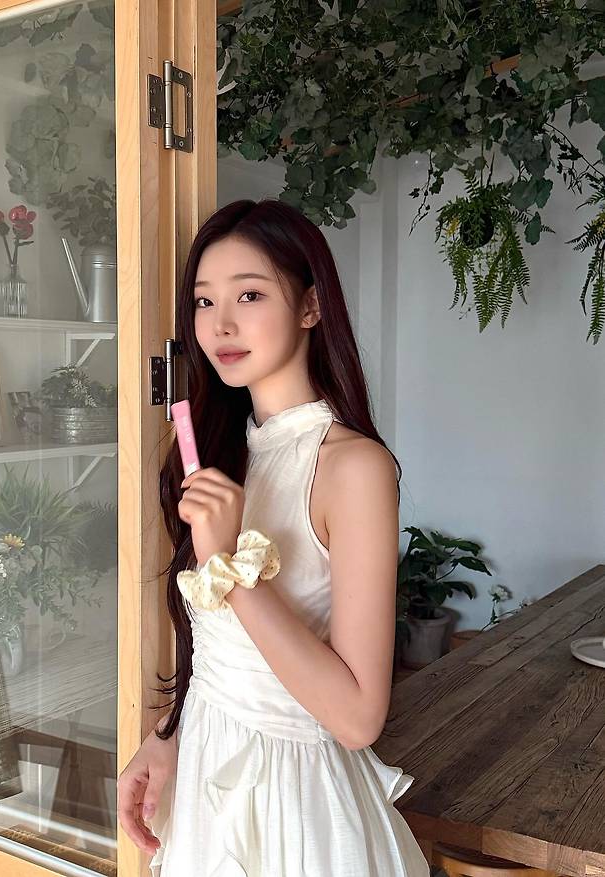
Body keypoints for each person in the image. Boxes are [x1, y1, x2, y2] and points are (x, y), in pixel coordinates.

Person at [117, 198, 430, 876]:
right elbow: (216, 645)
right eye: (204, 301)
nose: (220, 324)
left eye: (250, 294)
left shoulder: (353, 467)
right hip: (206, 779)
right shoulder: (215, 452)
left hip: (295, 803)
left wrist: (228, 565)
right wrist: (168, 735)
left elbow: (357, 718)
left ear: (311, 306)